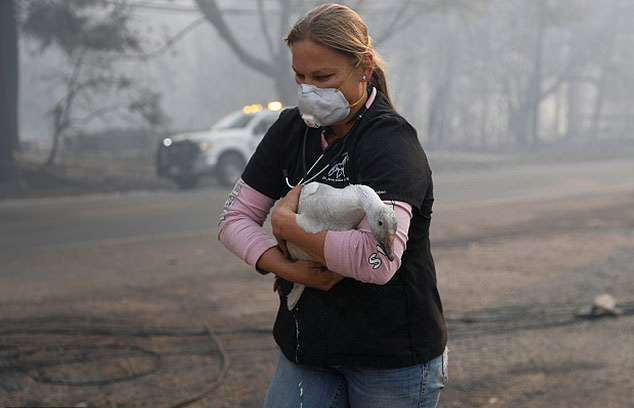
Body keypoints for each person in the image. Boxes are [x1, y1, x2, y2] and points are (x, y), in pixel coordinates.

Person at [218, 3, 448, 407]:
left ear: (362, 67)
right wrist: (287, 267)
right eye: (300, 77)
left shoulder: (390, 143)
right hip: (308, 349)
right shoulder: (290, 130)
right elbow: (234, 219)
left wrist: (289, 229)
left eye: (323, 77)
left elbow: (377, 262)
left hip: (390, 356)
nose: (309, 90)